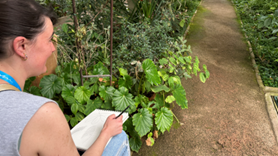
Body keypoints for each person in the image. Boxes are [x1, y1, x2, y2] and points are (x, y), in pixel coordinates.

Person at [0, 0, 130, 155]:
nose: (53, 48)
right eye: (49, 40)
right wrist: (106, 132)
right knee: (119, 138)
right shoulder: (43, 114)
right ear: (22, 46)